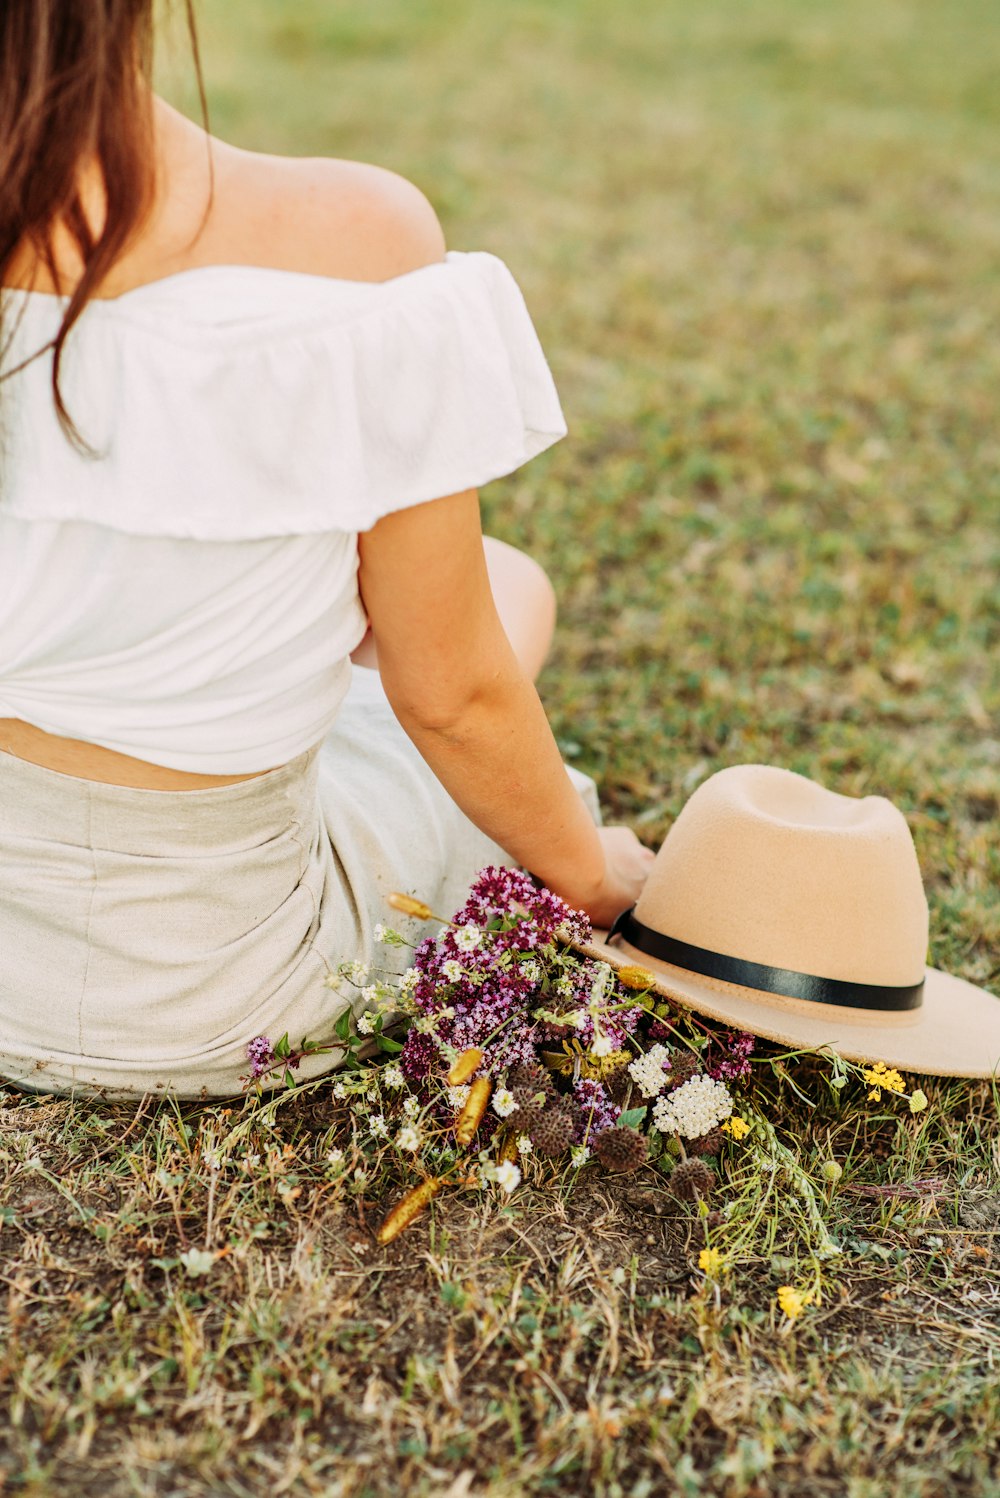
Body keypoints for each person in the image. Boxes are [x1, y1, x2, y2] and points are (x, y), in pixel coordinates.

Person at [0, 2, 653, 1100]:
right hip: (224, 995)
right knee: (501, 598)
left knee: (509, 588)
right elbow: (450, 695)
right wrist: (593, 882)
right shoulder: (353, 238)